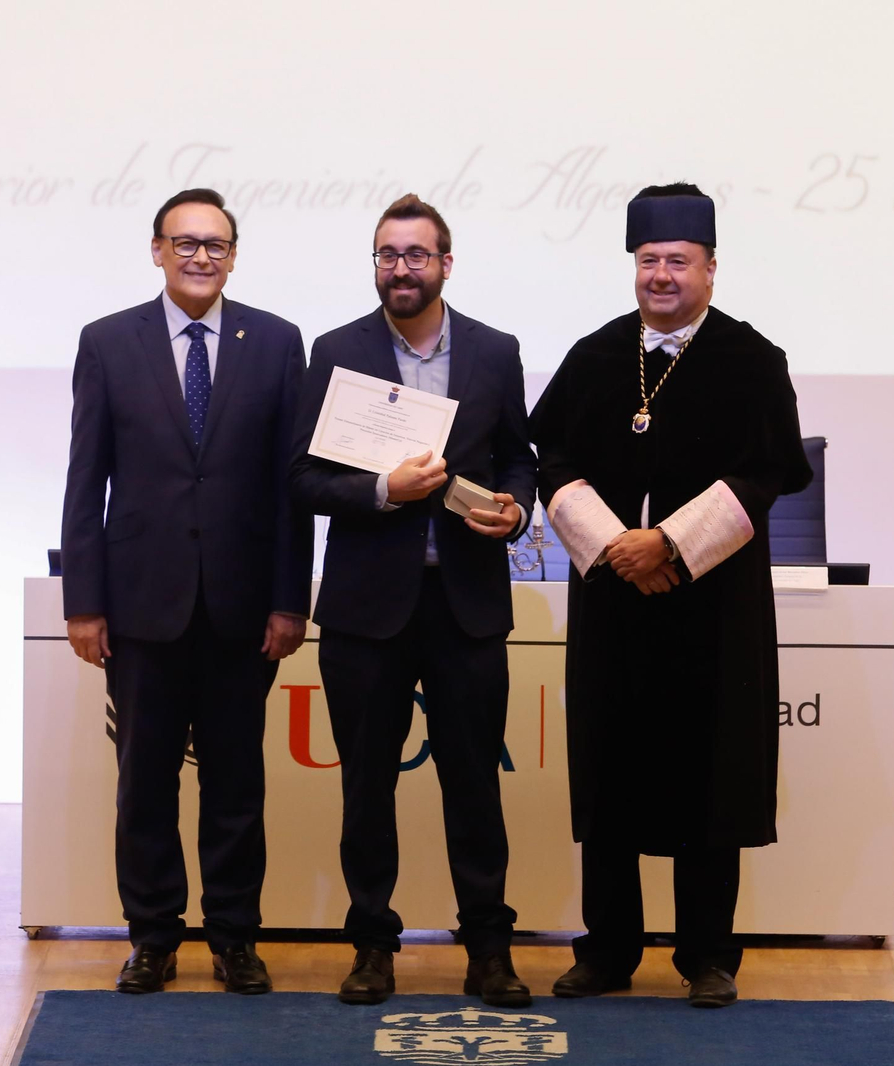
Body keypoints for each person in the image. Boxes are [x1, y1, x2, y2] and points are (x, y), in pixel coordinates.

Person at [528, 182, 812, 1007]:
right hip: (615, 602)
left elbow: (769, 472)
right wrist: (619, 548)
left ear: (711, 268)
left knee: (709, 772)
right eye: (648, 260)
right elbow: (550, 459)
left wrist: (674, 547)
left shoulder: (752, 360)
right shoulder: (594, 357)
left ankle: (708, 955)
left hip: (712, 609)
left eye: (678, 261)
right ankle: (609, 949)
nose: (661, 275)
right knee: (611, 773)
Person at [60, 187, 313, 995]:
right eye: (185, 242)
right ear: (157, 249)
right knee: (145, 784)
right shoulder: (107, 342)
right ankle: (153, 936)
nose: (201, 256)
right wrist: (84, 602)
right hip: (140, 607)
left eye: (216, 244)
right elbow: (85, 480)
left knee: (238, 782)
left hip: (243, 610)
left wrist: (289, 599)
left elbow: (290, 487)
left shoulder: (276, 343)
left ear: (234, 255)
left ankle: (235, 936)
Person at [290, 194, 537, 1007]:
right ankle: (371, 947)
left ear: (446, 264)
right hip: (366, 611)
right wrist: (384, 492)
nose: (402, 268)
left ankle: (490, 951)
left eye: (416, 255)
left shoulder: (495, 352)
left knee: (475, 785)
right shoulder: (336, 350)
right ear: (376, 264)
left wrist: (516, 505)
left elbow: (519, 459)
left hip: (465, 606)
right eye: (387, 255)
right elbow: (302, 479)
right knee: (367, 786)